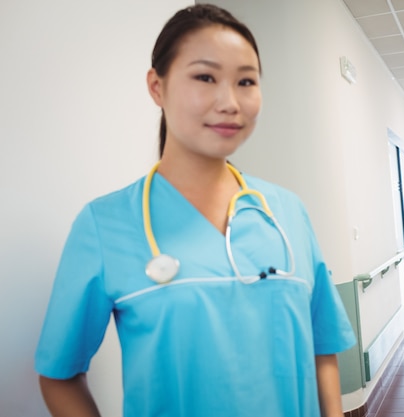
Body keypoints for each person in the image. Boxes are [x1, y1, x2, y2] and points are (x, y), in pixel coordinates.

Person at [35, 4, 355, 416]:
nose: (229, 102)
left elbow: (322, 347)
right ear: (157, 86)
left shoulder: (287, 213)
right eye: (205, 77)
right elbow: (59, 374)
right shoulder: (105, 225)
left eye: (246, 81)